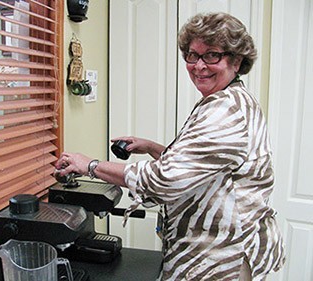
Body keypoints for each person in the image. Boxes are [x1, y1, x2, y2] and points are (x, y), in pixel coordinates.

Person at [56, 12, 285, 281]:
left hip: (221, 258)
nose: (198, 66)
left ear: (236, 60)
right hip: (221, 247)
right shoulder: (229, 98)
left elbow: (167, 179)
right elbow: (201, 167)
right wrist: (153, 147)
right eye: (192, 55)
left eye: (212, 55)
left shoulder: (226, 110)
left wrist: (90, 166)